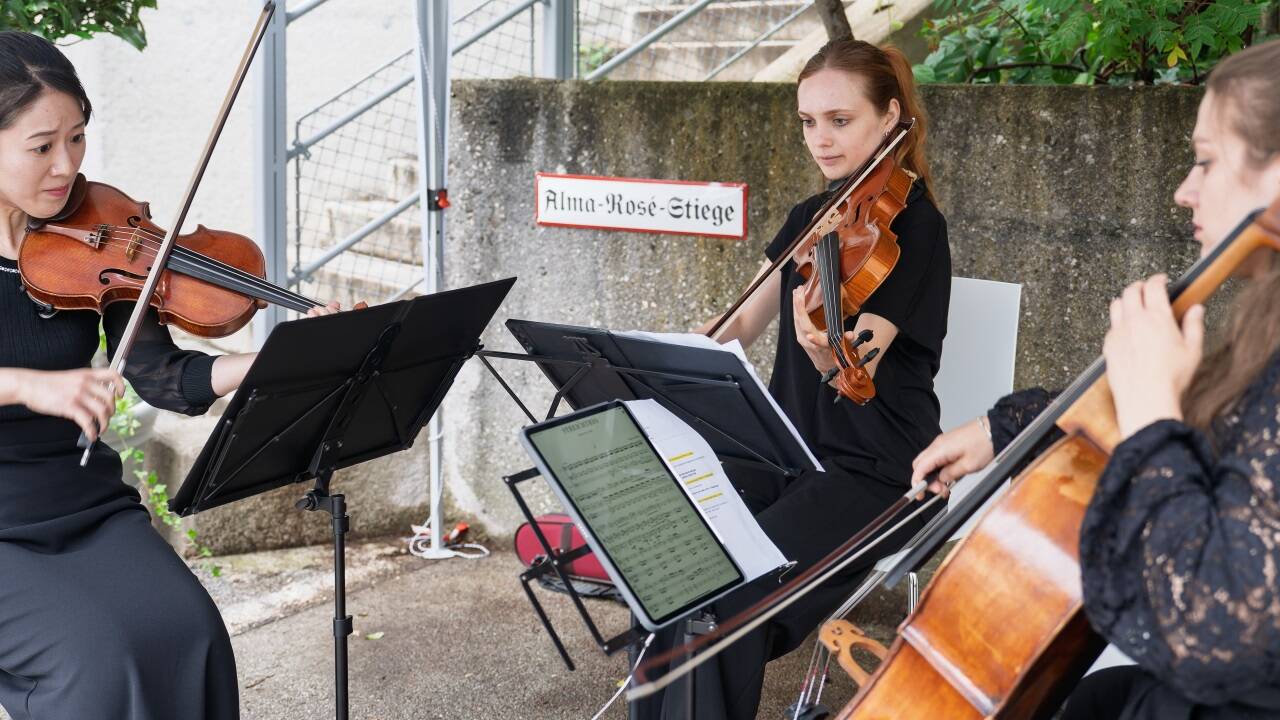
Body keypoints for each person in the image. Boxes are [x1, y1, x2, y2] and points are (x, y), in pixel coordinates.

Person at [911, 38, 1280, 720]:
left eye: (1205, 162)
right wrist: (1003, 429)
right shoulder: (1266, 321)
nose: (1184, 190)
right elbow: (1215, 428)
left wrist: (1153, 423)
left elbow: (1216, 635)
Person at [0, 31, 341, 719]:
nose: (66, 166)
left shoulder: (93, 231)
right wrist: (27, 384)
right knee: (96, 666)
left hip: (82, 502)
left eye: (78, 138)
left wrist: (275, 362)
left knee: (192, 634)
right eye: (42, 147)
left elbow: (159, 374)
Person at [638, 38, 951, 720]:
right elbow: (738, 325)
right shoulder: (809, 221)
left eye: (839, 119)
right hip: (789, 455)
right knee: (669, 573)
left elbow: (860, 357)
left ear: (890, 115)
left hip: (876, 469)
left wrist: (827, 353)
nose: (821, 138)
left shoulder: (916, 229)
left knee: (730, 603)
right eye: (809, 122)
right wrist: (667, 354)